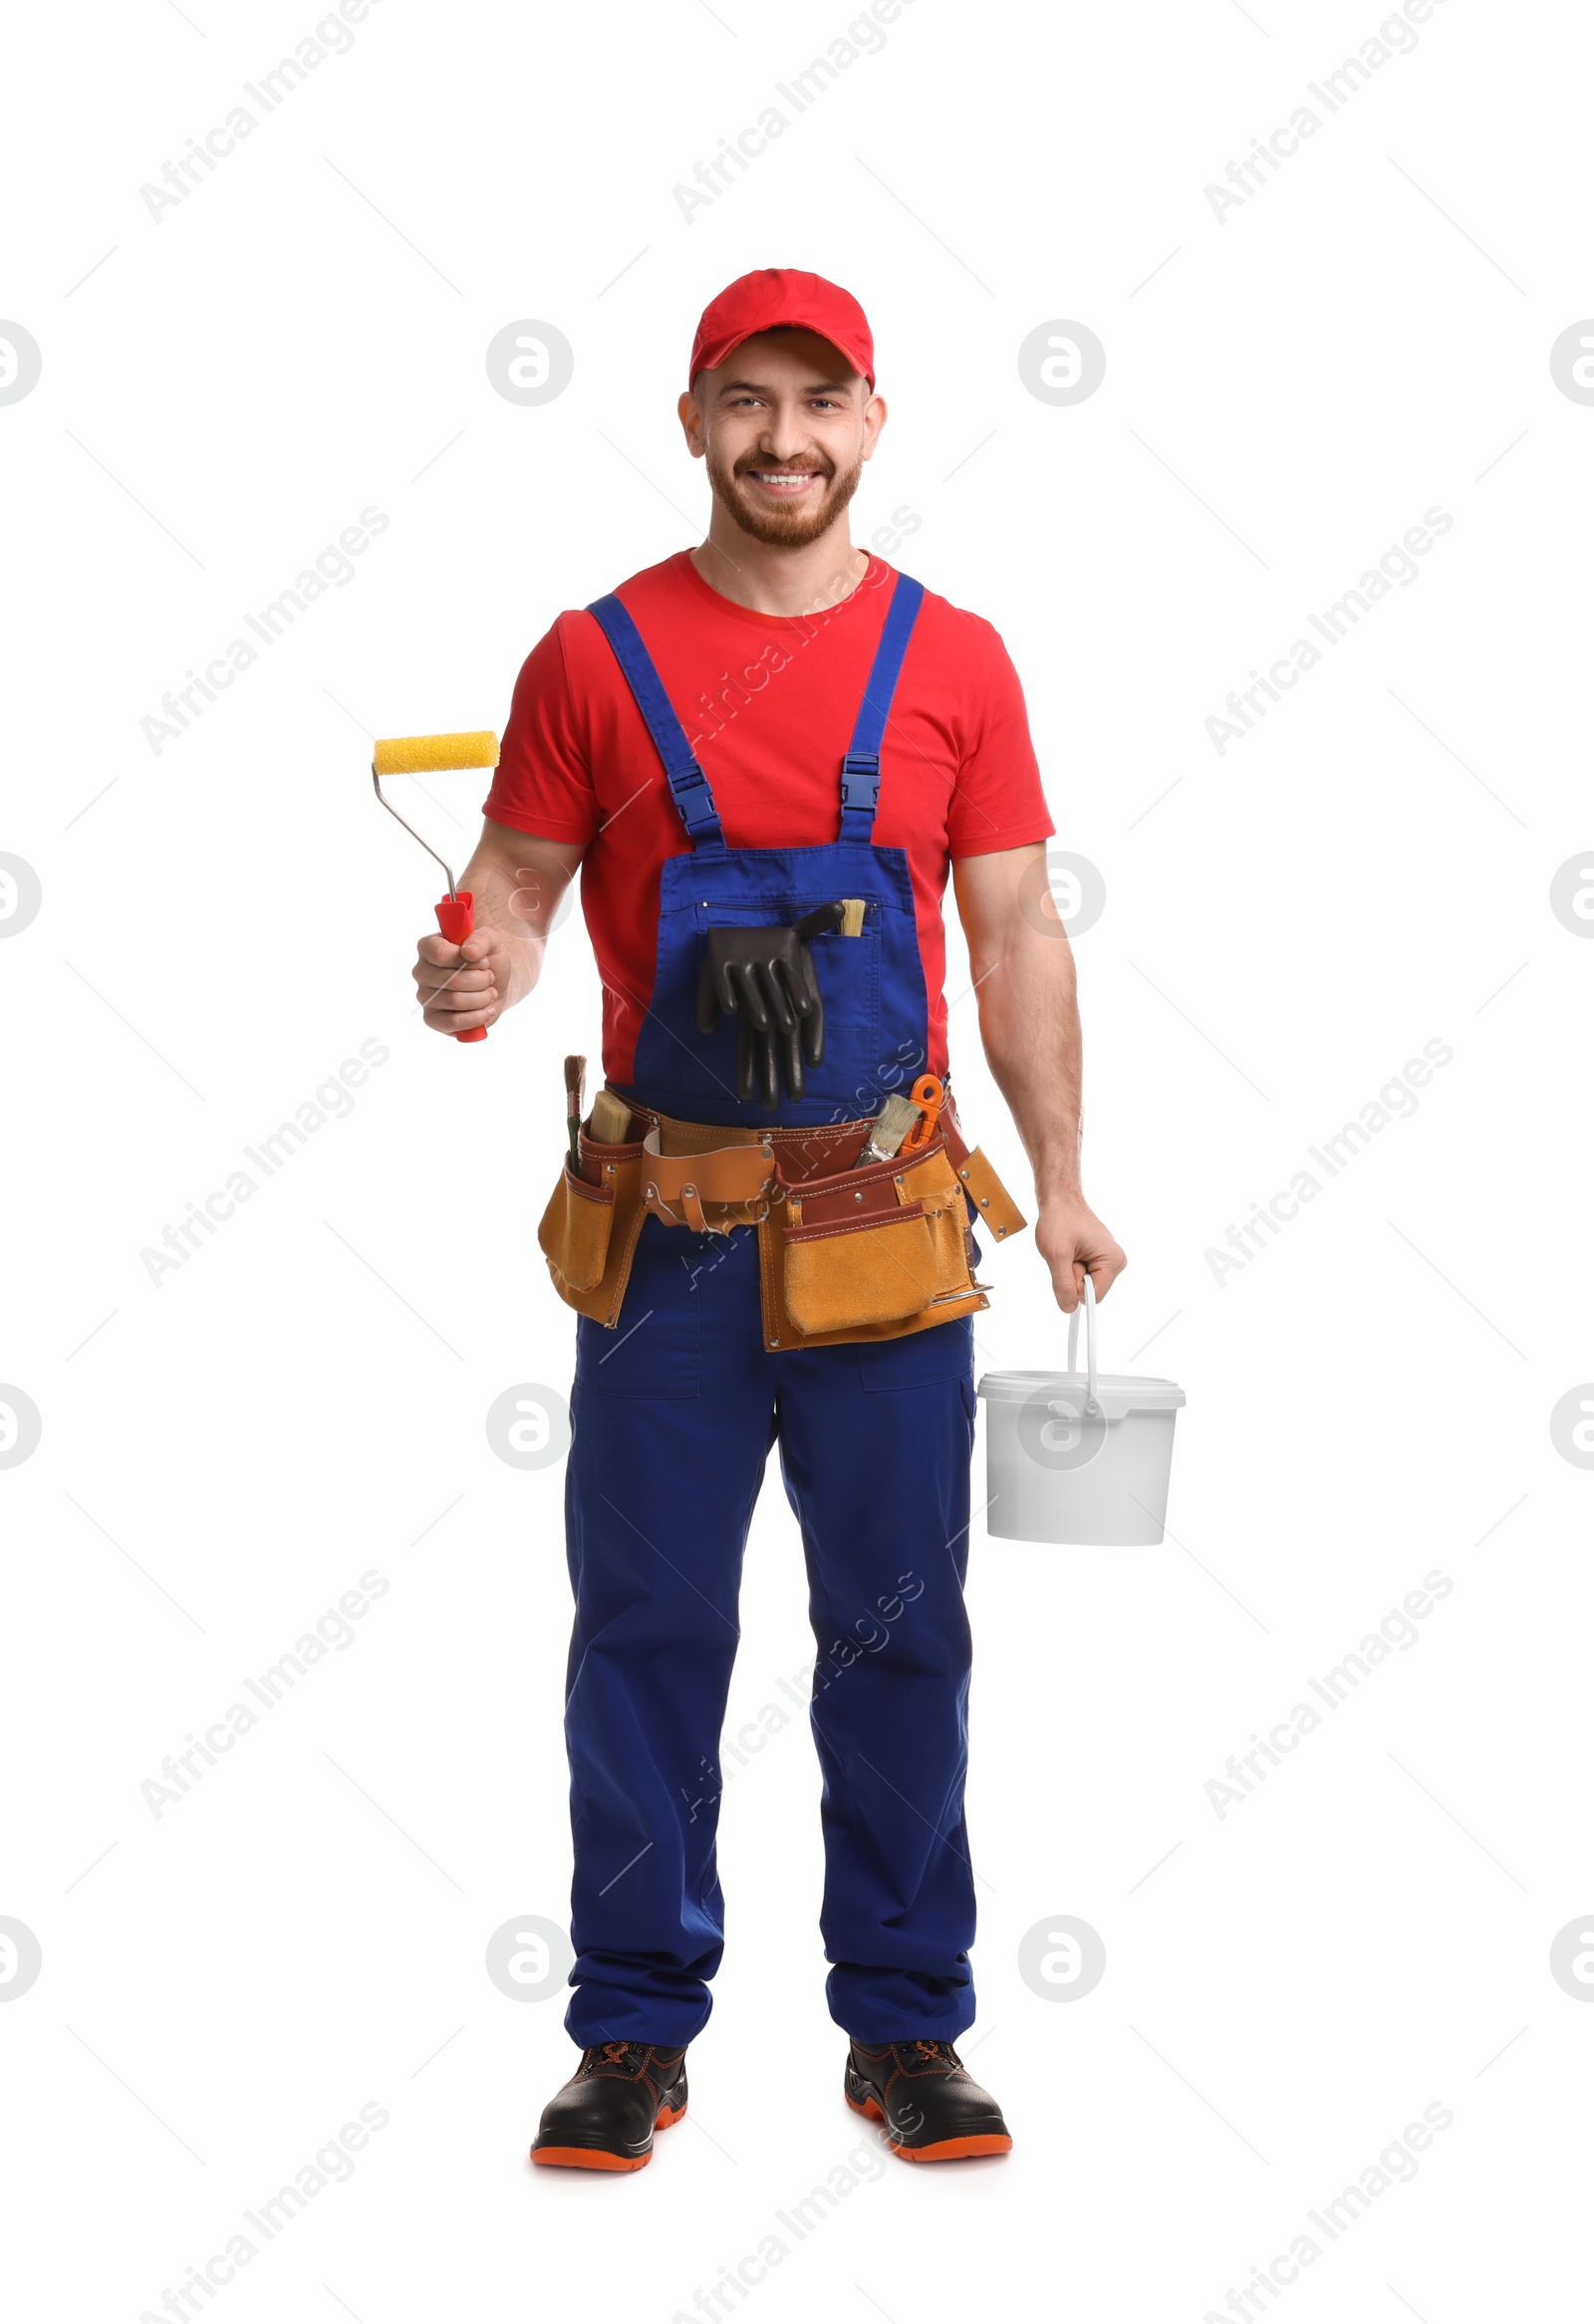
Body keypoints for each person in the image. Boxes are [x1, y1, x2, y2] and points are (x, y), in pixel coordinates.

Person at [411, 268, 1126, 2172]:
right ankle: (632, 2029)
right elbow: (513, 891)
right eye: (748, 399)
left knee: (899, 1631)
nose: (784, 438)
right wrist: (475, 972)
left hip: (892, 1230)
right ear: (694, 419)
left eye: (820, 401)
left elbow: (1018, 927)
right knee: (646, 1628)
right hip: (670, 1243)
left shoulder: (957, 660)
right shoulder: (592, 656)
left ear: (873, 420)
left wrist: (1057, 1183)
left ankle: (905, 2023)